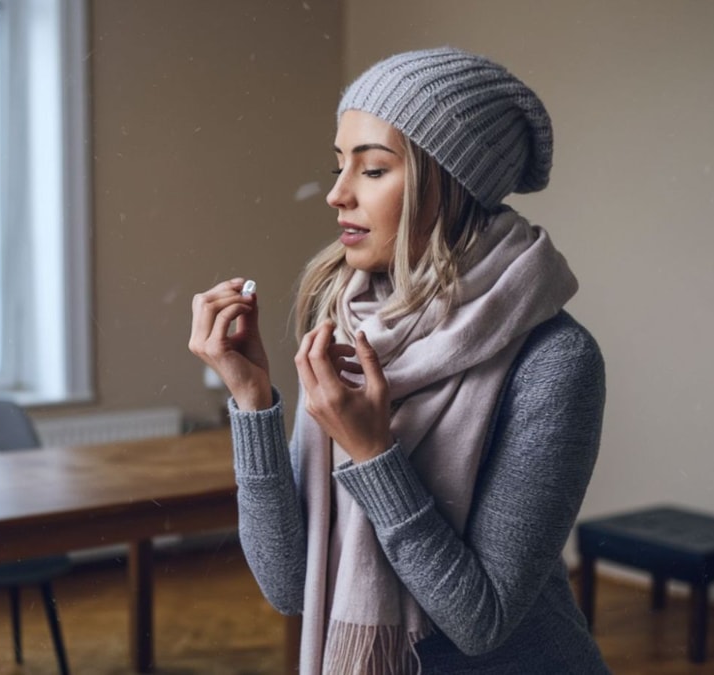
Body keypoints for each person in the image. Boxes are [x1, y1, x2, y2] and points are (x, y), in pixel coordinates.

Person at [189, 46, 608, 674]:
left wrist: (372, 454)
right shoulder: (351, 322)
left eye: (374, 170)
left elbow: (480, 622)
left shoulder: (555, 361)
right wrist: (251, 401)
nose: (336, 194)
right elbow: (289, 586)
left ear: (452, 184)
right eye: (338, 166)